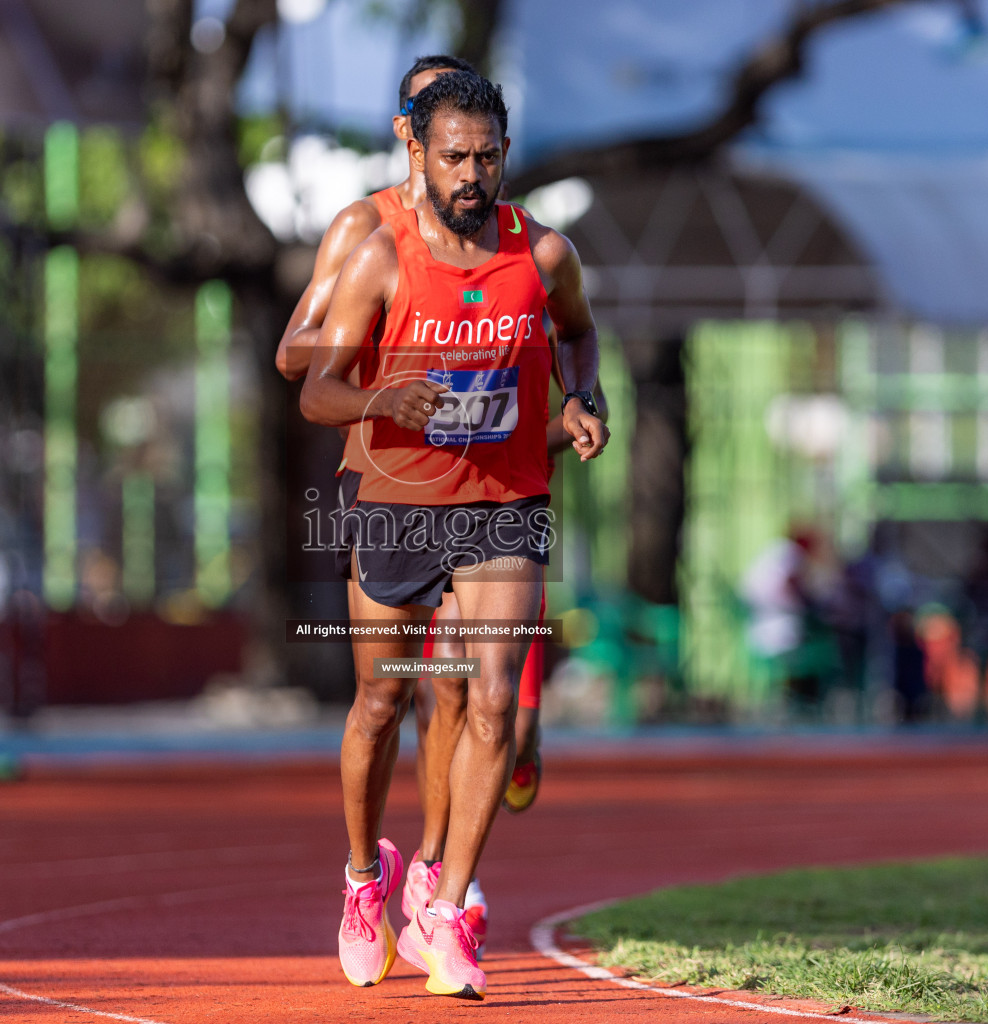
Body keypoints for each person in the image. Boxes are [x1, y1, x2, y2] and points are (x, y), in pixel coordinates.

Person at [301, 70, 608, 999]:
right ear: (418, 155)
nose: (472, 175)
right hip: (397, 500)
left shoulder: (545, 254)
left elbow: (579, 337)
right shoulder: (380, 256)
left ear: (506, 154)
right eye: (454, 158)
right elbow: (317, 389)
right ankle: (367, 878)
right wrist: (381, 396)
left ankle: (447, 902)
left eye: (487, 157)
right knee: (382, 704)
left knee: (490, 703)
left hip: (504, 503)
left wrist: (583, 397)